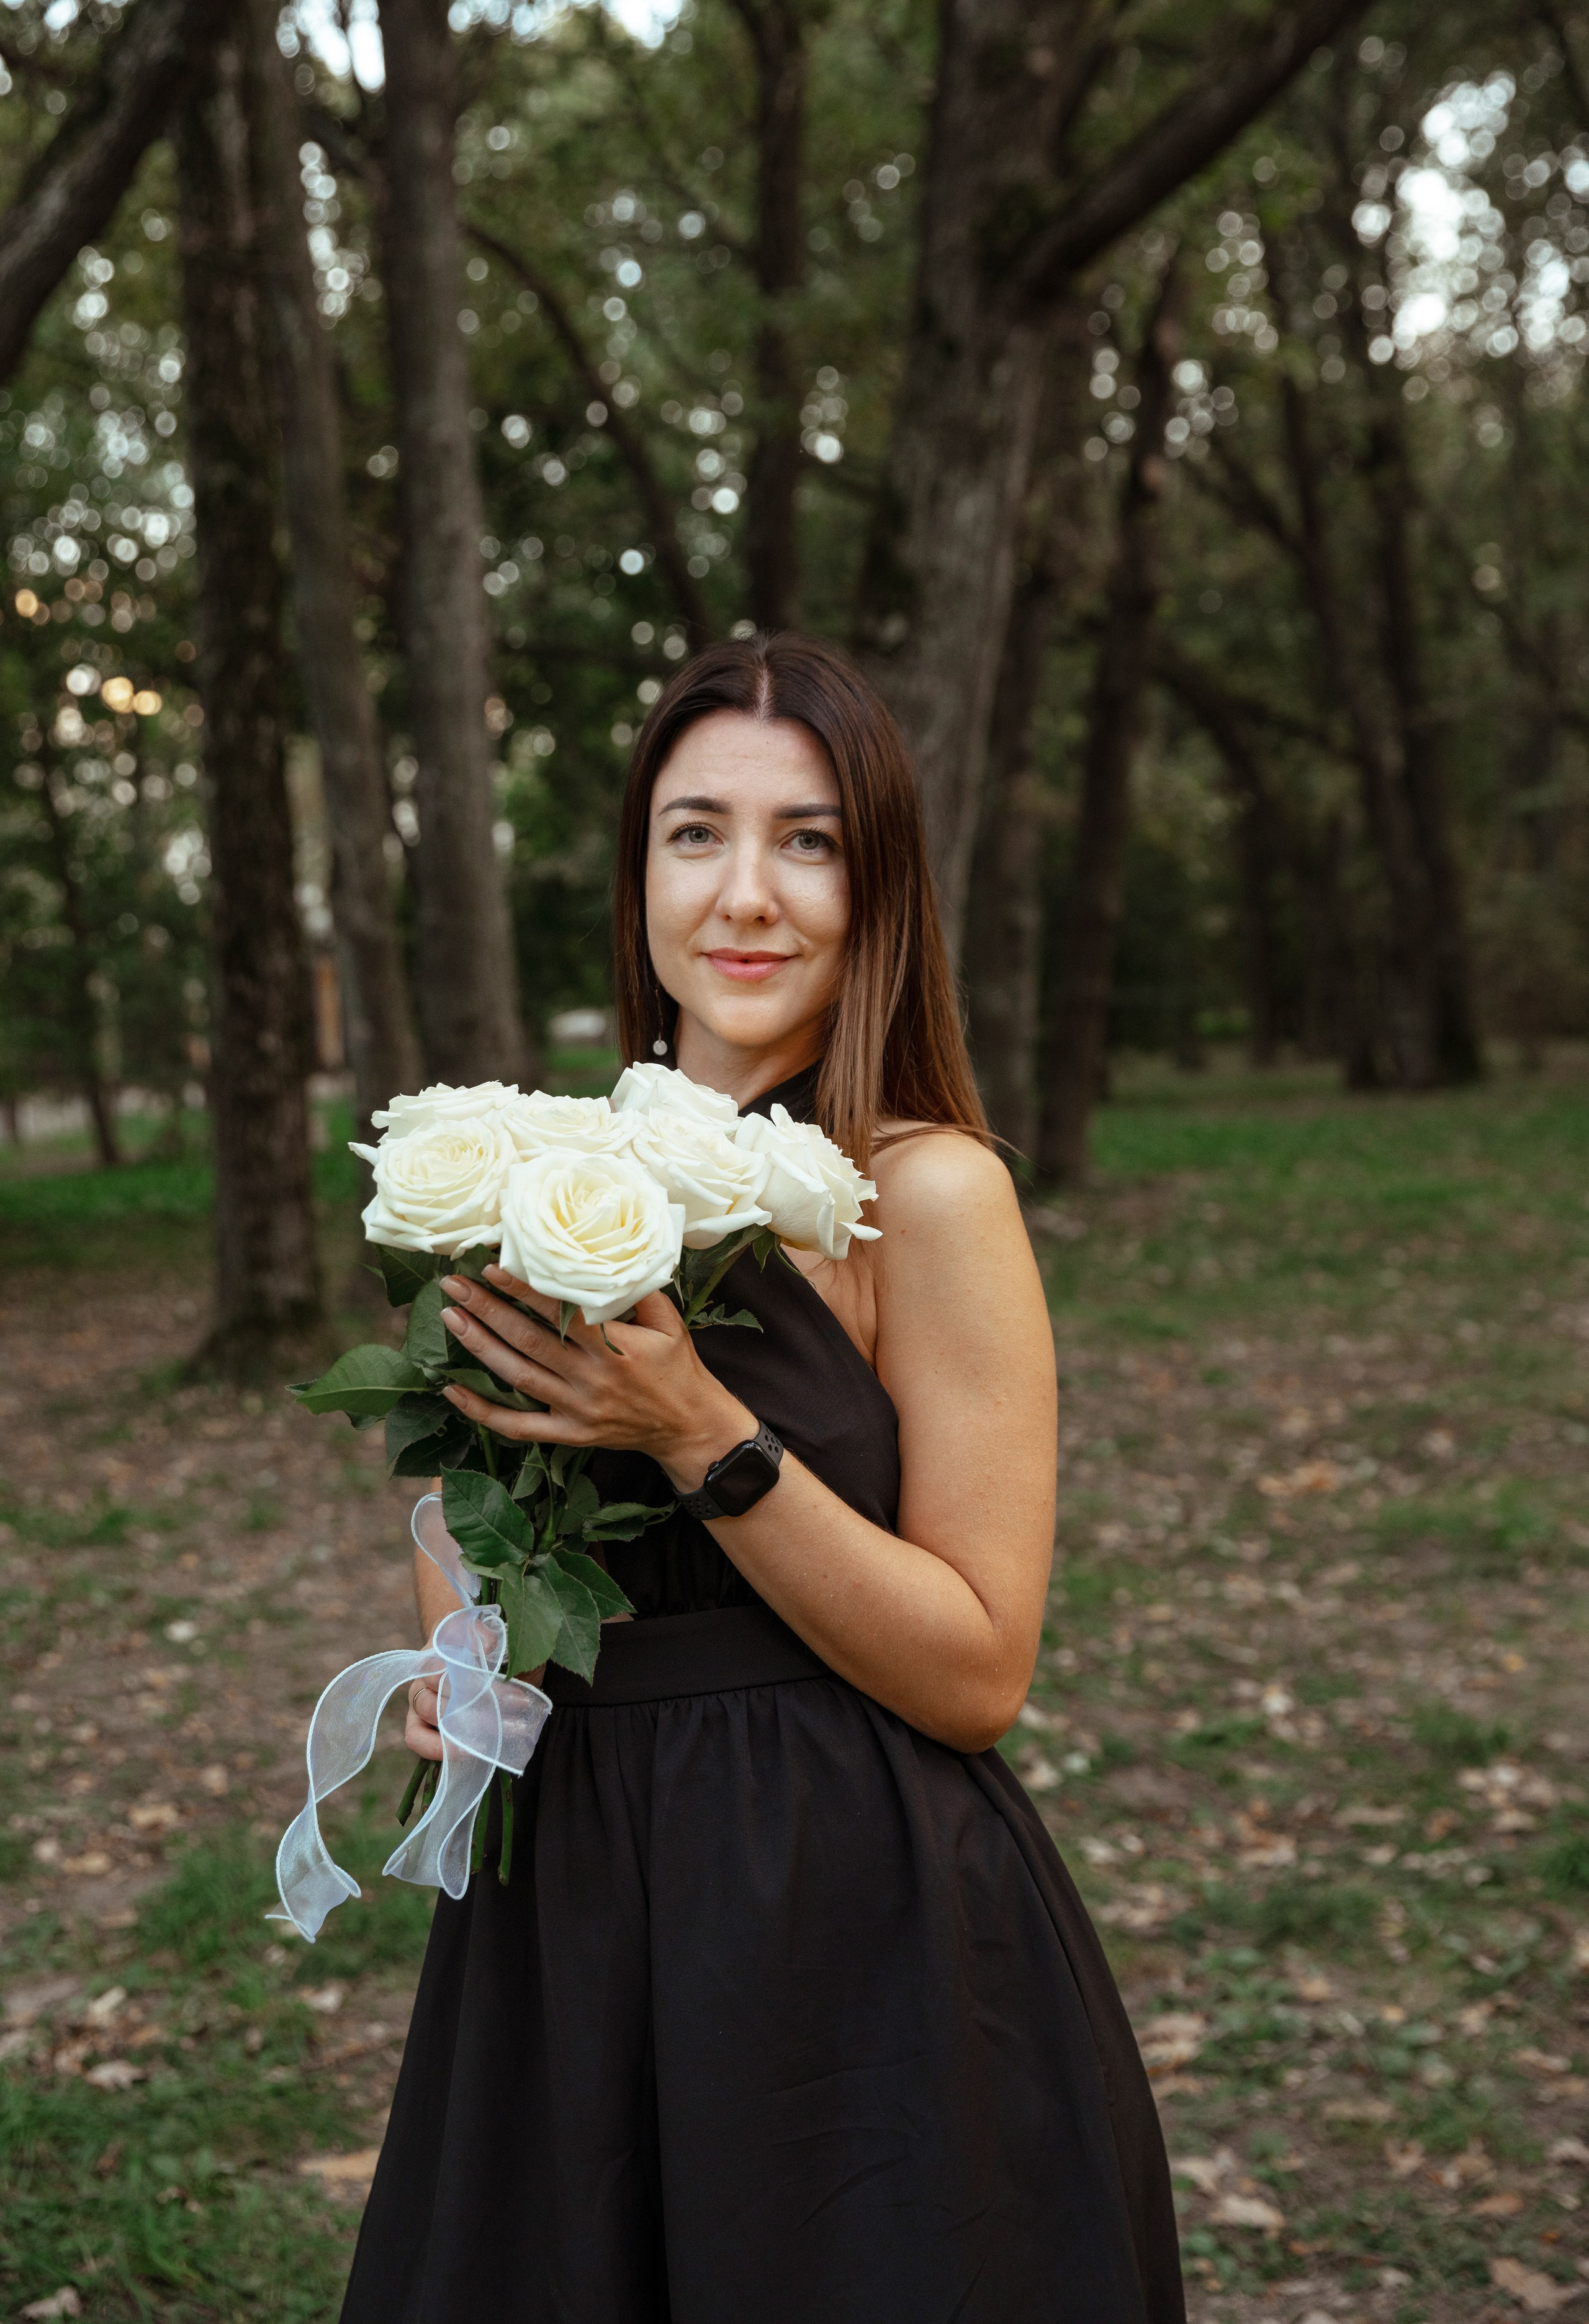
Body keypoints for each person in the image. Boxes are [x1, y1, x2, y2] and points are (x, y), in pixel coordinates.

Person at [340, 631, 1184, 2324]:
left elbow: (980, 1669)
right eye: (696, 832)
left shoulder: (925, 1193)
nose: (748, 895)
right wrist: (453, 1666)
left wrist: (698, 1429)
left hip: (840, 1909)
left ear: (876, 885)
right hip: (569, 1918)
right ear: (639, 868)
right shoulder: (542, 1176)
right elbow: (474, 1535)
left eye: (807, 841)